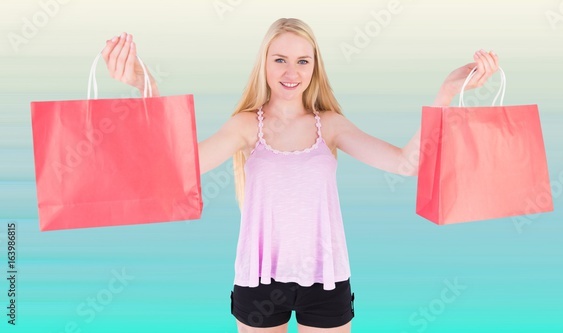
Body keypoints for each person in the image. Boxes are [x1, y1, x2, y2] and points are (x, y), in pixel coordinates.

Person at [99, 18, 500, 333]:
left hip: (325, 279)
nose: (291, 71)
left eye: (302, 60)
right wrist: (143, 85)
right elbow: (177, 167)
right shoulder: (244, 126)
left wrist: (445, 95)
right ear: (265, 64)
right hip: (259, 279)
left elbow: (405, 164)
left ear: (314, 67)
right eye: (280, 59)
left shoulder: (332, 125)